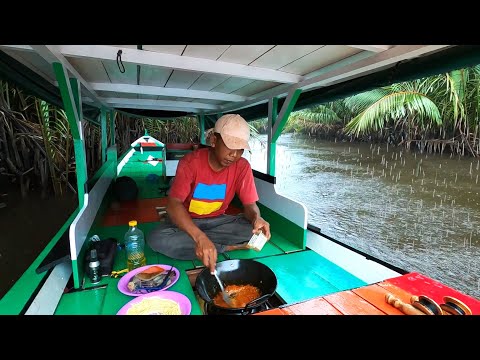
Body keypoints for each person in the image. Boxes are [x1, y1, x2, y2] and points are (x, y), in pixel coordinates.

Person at [147, 114, 271, 273]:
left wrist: (256, 218)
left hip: (218, 221)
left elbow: (249, 205)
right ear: (213, 140)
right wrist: (199, 237)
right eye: (229, 146)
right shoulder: (190, 162)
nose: (234, 154)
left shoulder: (242, 166)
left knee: (252, 231)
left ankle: (210, 246)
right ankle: (219, 246)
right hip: (188, 222)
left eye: (240, 149)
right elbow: (173, 205)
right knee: (156, 239)